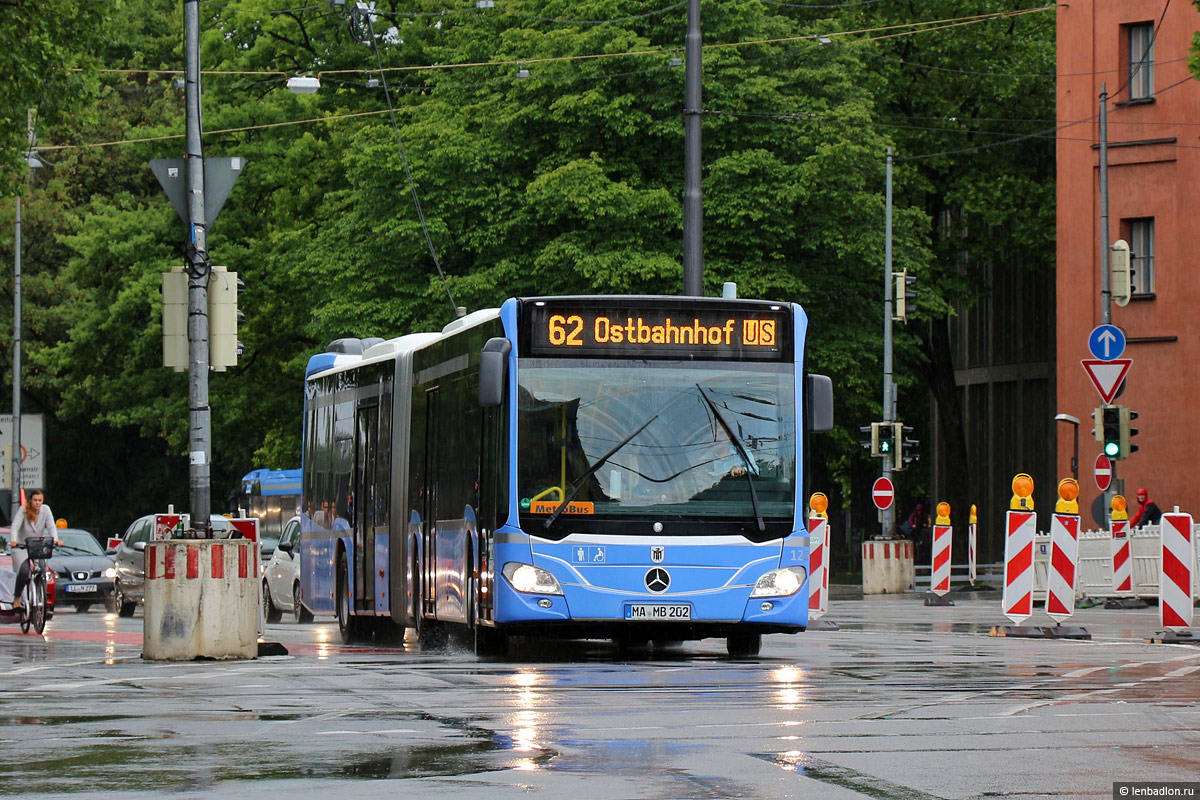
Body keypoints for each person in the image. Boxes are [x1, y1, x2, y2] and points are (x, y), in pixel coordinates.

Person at [9, 489, 60, 609]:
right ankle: (17, 597)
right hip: (22, 546)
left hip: (37, 546)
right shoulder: (23, 510)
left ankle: (42, 602)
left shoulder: (46, 510)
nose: (37, 503)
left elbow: (51, 526)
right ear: (30, 501)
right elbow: (15, 526)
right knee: (24, 571)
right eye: (35, 500)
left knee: (42, 570)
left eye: (40, 500)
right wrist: (13, 540)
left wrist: (55, 539)